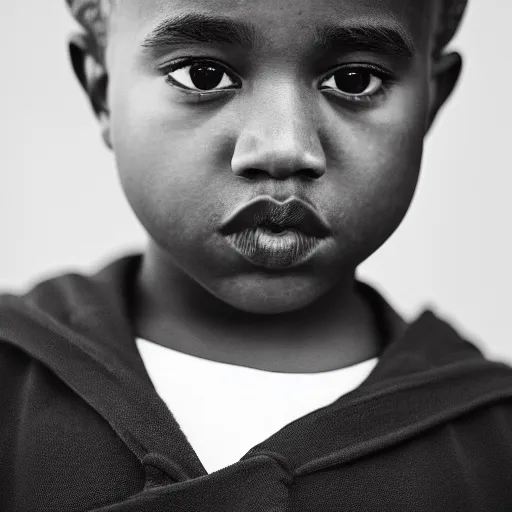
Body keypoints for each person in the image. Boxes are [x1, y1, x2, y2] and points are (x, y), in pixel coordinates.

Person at [1, 0, 511, 510]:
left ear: (433, 101)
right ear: (101, 89)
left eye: (355, 80)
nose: (283, 148)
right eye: (203, 75)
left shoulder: (495, 449)